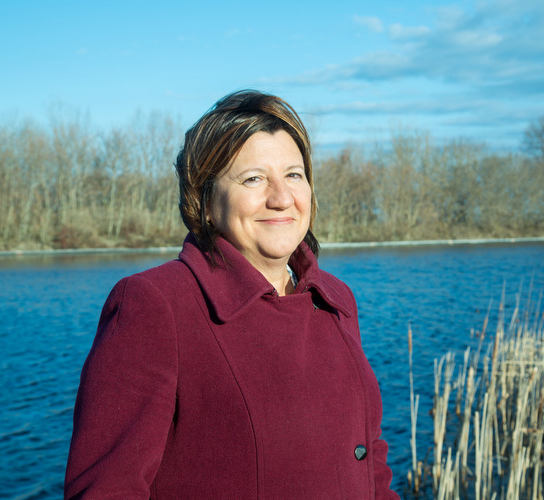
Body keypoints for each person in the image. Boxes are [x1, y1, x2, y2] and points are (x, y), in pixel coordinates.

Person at [64, 90, 399, 499]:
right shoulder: (156, 305)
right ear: (204, 200)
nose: (281, 198)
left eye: (294, 174)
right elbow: (107, 490)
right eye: (254, 178)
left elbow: (369, 457)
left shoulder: (335, 298)